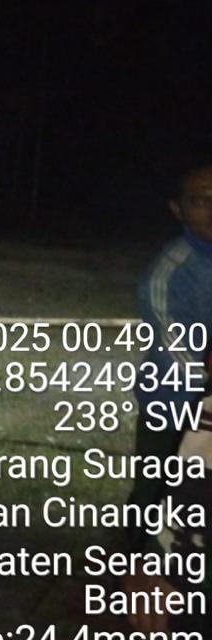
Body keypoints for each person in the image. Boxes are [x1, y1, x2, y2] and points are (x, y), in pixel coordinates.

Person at [128, 157, 212, 527]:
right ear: (178, 209)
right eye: (200, 200)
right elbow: (175, 349)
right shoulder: (170, 272)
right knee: (155, 499)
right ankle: (130, 555)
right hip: (175, 407)